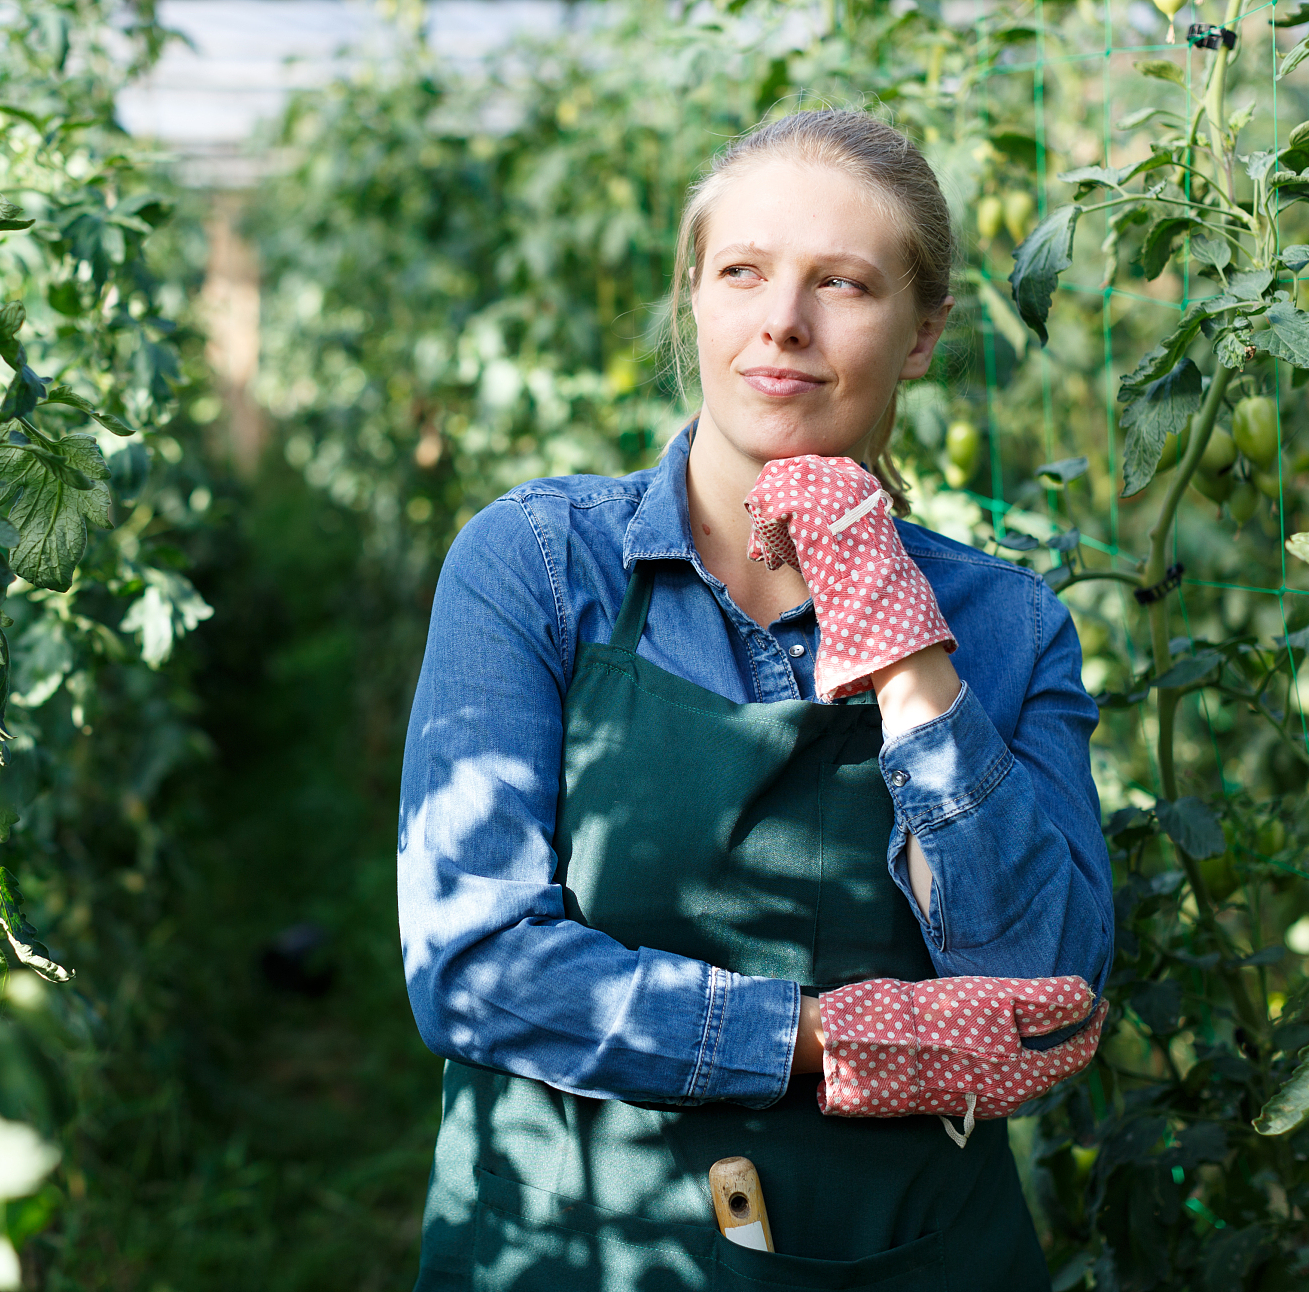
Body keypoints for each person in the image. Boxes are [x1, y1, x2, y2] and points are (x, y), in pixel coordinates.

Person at [396, 109, 1113, 1291]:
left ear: (924, 331)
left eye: (841, 283)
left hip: (910, 1253)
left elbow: (1039, 991)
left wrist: (902, 647)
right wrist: (819, 1038)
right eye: (742, 271)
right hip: (583, 1244)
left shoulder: (1002, 622)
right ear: (695, 294)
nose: (782, 321)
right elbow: (469, 958)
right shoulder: (537, 563)